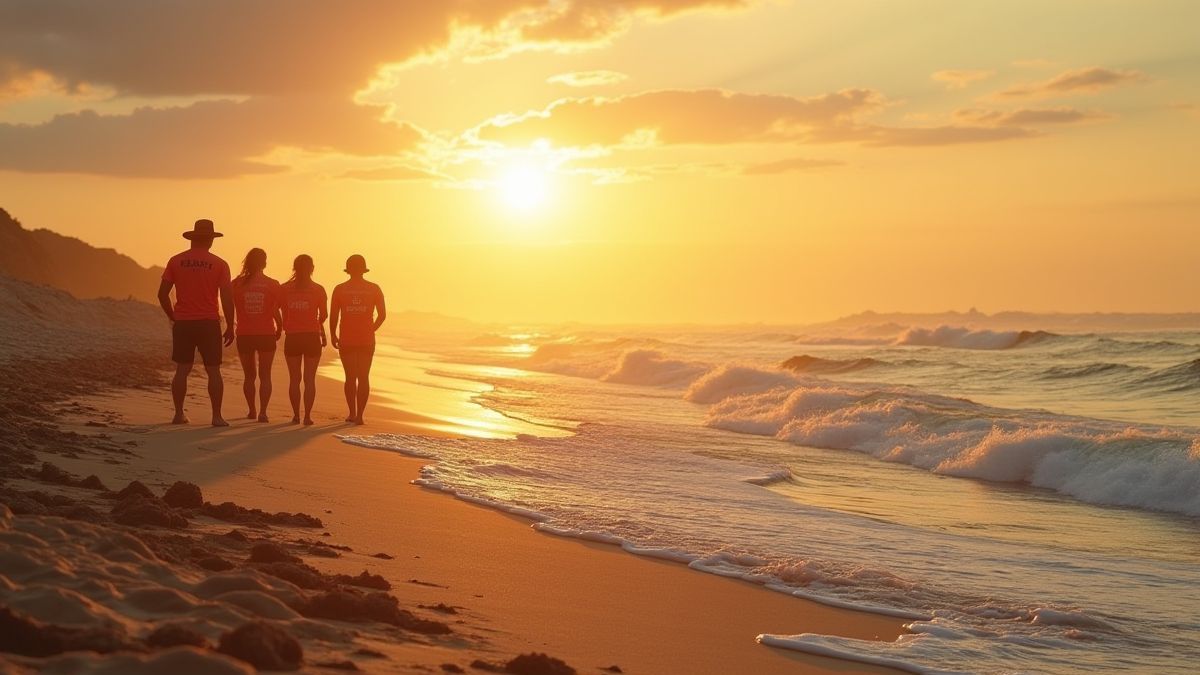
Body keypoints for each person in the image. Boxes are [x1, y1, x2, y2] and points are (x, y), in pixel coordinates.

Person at [157, 219, 235, 427]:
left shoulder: (176, 261)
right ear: (211, 240)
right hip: (209, 322)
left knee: (182, 369)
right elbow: (227, 297)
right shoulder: (219, 264)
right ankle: (217, 416)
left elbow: (162, 294)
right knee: (213, 369)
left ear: (192, 239)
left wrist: (172, 316)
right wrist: (231, 324)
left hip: (184, 322)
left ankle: (178, 414)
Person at [330, 254, 386, 425]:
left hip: (347, 338)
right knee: (363, 377)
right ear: (364, 269)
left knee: (350, 377)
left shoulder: (339, 289)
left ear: (348, 269)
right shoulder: (374, 288)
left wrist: (333, 334)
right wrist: (371, 329)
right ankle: (360, 415)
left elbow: (334, 315)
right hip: (366, 339)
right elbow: (382, 315)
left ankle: (352, 413)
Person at [232, 248, 283, 422]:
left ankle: (252, 410)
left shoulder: (236, 284)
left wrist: (231, 327)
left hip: (245, 333)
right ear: (264, 262)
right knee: (265, 375)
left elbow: (230, 308)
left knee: (249, 376)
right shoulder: (272, 284)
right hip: (266, 333)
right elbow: (276, 308)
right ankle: (263, 412)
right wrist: (280, 325)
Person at [279, 254, 327, 425]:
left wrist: (282, 323)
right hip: (312, 336)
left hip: (292, 337)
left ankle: (295, 415)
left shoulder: (284, 288)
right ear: (312, 269)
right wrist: (317, 324)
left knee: (294, 379)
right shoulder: (319, 289)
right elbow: (324, 314)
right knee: (309, 379)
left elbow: (274, 308)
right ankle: (307, 416)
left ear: (294, 268)